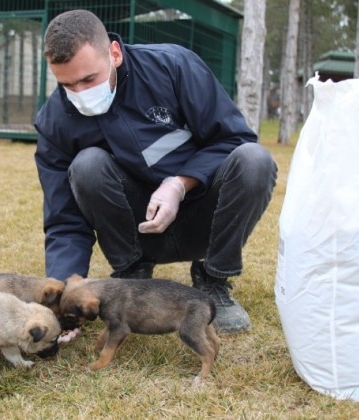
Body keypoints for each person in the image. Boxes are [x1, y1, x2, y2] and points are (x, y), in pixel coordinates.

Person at [34, 9, 277, 334]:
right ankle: (131, 274)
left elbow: (233, 138)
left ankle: (213, 280)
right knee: (87, 164)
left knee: (255, 160)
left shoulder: (173, 67)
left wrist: (179, 184)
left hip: (201, 218)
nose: (80, 94)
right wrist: (60, 303)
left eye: (89, 79)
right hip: (136, 232)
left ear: (115, 54)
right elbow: (64, 221)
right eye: (67, 85)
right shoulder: (55, 122)